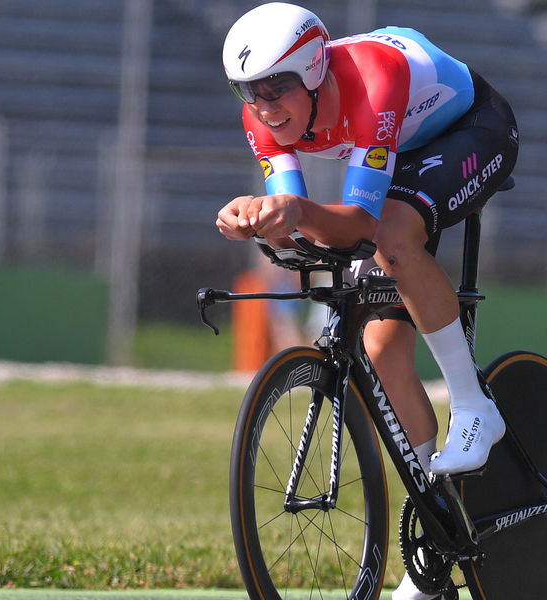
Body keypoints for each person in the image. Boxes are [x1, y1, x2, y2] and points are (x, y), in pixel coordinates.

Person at [214, 4, 519, 599]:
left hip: (472, 130)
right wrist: (256, 219)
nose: (264, 103)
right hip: (401, 157)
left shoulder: (372, 75)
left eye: (275, 85)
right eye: (248, 90)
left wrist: (296, 213)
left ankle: (474, 403)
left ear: (311, 72)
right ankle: (437, 538)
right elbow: (296, 221)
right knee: (380, 351)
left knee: (393, 240)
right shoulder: (262, 121)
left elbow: (355, 225)